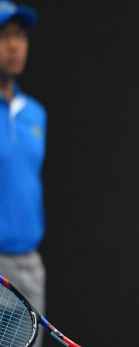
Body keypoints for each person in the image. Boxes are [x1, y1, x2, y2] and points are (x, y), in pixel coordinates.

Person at [0, 2, 46, 347]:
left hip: (29, 265)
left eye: (19, 35)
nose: (14, 45)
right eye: (3, 36)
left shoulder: (35, 114)